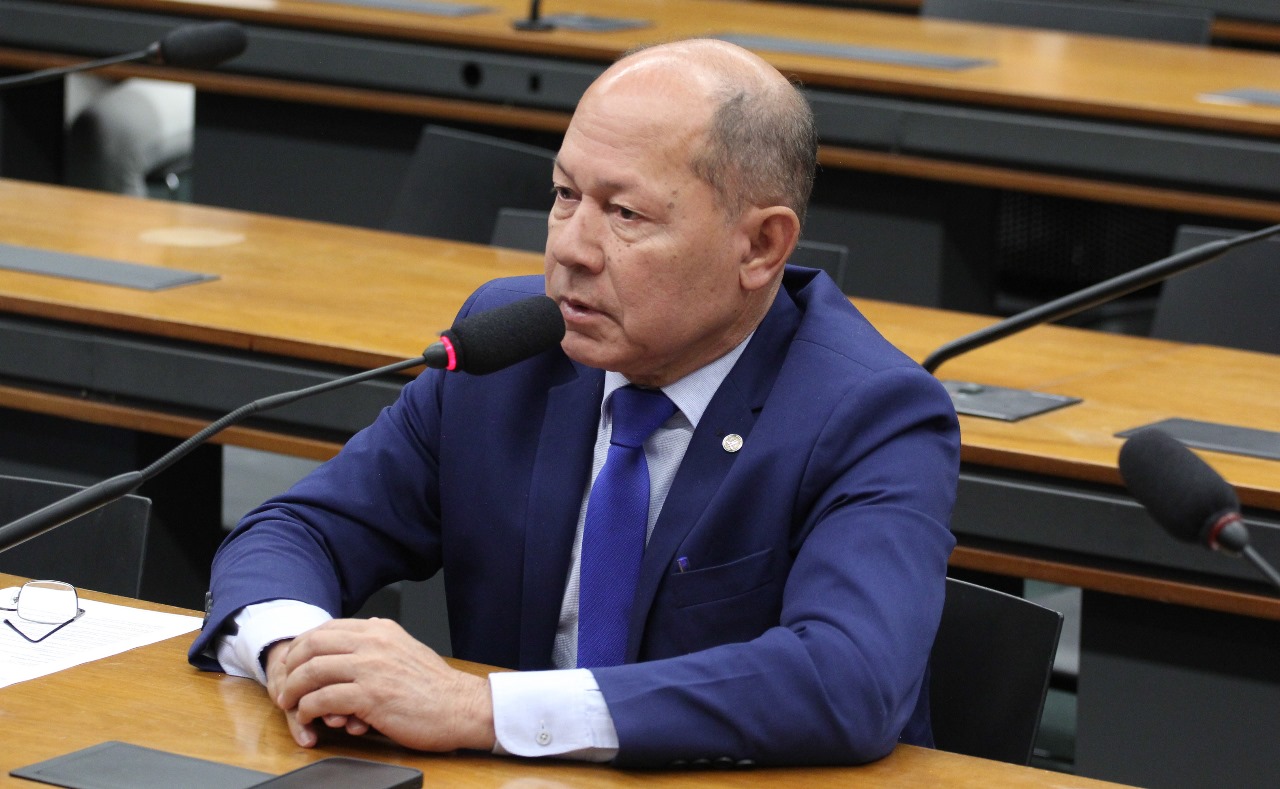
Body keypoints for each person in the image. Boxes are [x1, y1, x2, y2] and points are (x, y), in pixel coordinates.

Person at [189, 38, 960, 768]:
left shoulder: (871, 412)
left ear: (760, 246)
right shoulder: (510, 348)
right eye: (564, 195)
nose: (569, 248)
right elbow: (299, 528)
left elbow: (846, 678)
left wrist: (482, 709)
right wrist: (298, 654)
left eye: (626, 214)